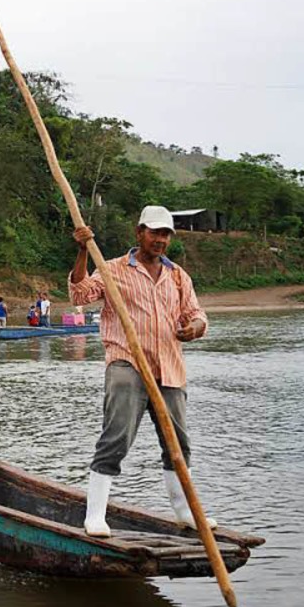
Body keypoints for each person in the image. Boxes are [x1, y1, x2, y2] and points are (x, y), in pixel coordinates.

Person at [69, 205, 212, 537]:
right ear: (139, 233)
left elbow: (198, 315)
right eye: (154, 233)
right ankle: (95, 517)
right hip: (127, 363)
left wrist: (194, 328)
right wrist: (81, 252)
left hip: (170, 368)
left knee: (178, 443)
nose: (160, 240)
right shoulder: (114, 269)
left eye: (165, 234)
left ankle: (184, 513)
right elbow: (80, 293)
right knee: (116, 437)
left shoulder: (178, 275)